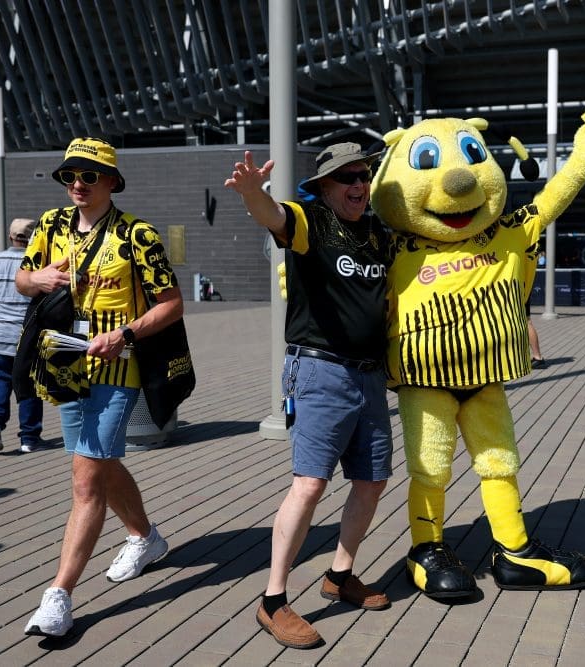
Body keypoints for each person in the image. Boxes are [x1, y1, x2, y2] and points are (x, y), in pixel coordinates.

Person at [224, 144, 393, 649]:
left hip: (370, 376)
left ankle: (339, 577)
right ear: (323, 185)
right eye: (346, 178)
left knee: (372, 480)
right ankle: (273, 600)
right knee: (310, 484)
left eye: (363, 175)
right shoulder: (310, 220)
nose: (358, 185)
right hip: (320, 371)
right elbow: (271, 215)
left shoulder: (378, 231)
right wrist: (255, 193)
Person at [16, 138, 183, 638]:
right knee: (100, 465)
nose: (77, 185)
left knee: (86, 477)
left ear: (112, 181)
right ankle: (145, 537)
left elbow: (171, 303)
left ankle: (59, 595)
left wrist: (126, 333)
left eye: (88, 176)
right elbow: (23, 279)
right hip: (65, 360)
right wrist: (37, 278)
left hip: (119, 363)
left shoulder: (138, 235)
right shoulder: (50, 226)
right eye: (70, 176)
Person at [0, 218, 46, 453]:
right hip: (29, 334)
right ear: (33, 237)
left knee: (2, 378)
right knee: (29, 383)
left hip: (1, 332)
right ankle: (29, 437)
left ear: (11, 235)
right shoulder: (38, 263)